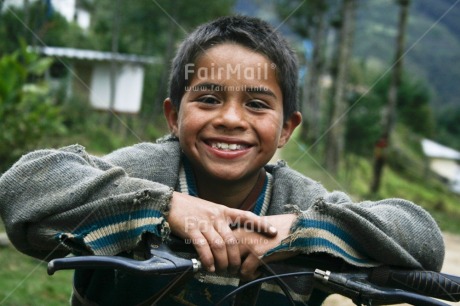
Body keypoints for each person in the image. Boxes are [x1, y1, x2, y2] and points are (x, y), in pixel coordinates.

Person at [0, 15, 444, 305]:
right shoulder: (144, 170)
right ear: (174, 116)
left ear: (287, 128)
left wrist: (296, 231)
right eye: (209, 98)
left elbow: (424, 238)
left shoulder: (298, 202)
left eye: (257, 104)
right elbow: (25, 186)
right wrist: (168, 207)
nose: (231, 119)